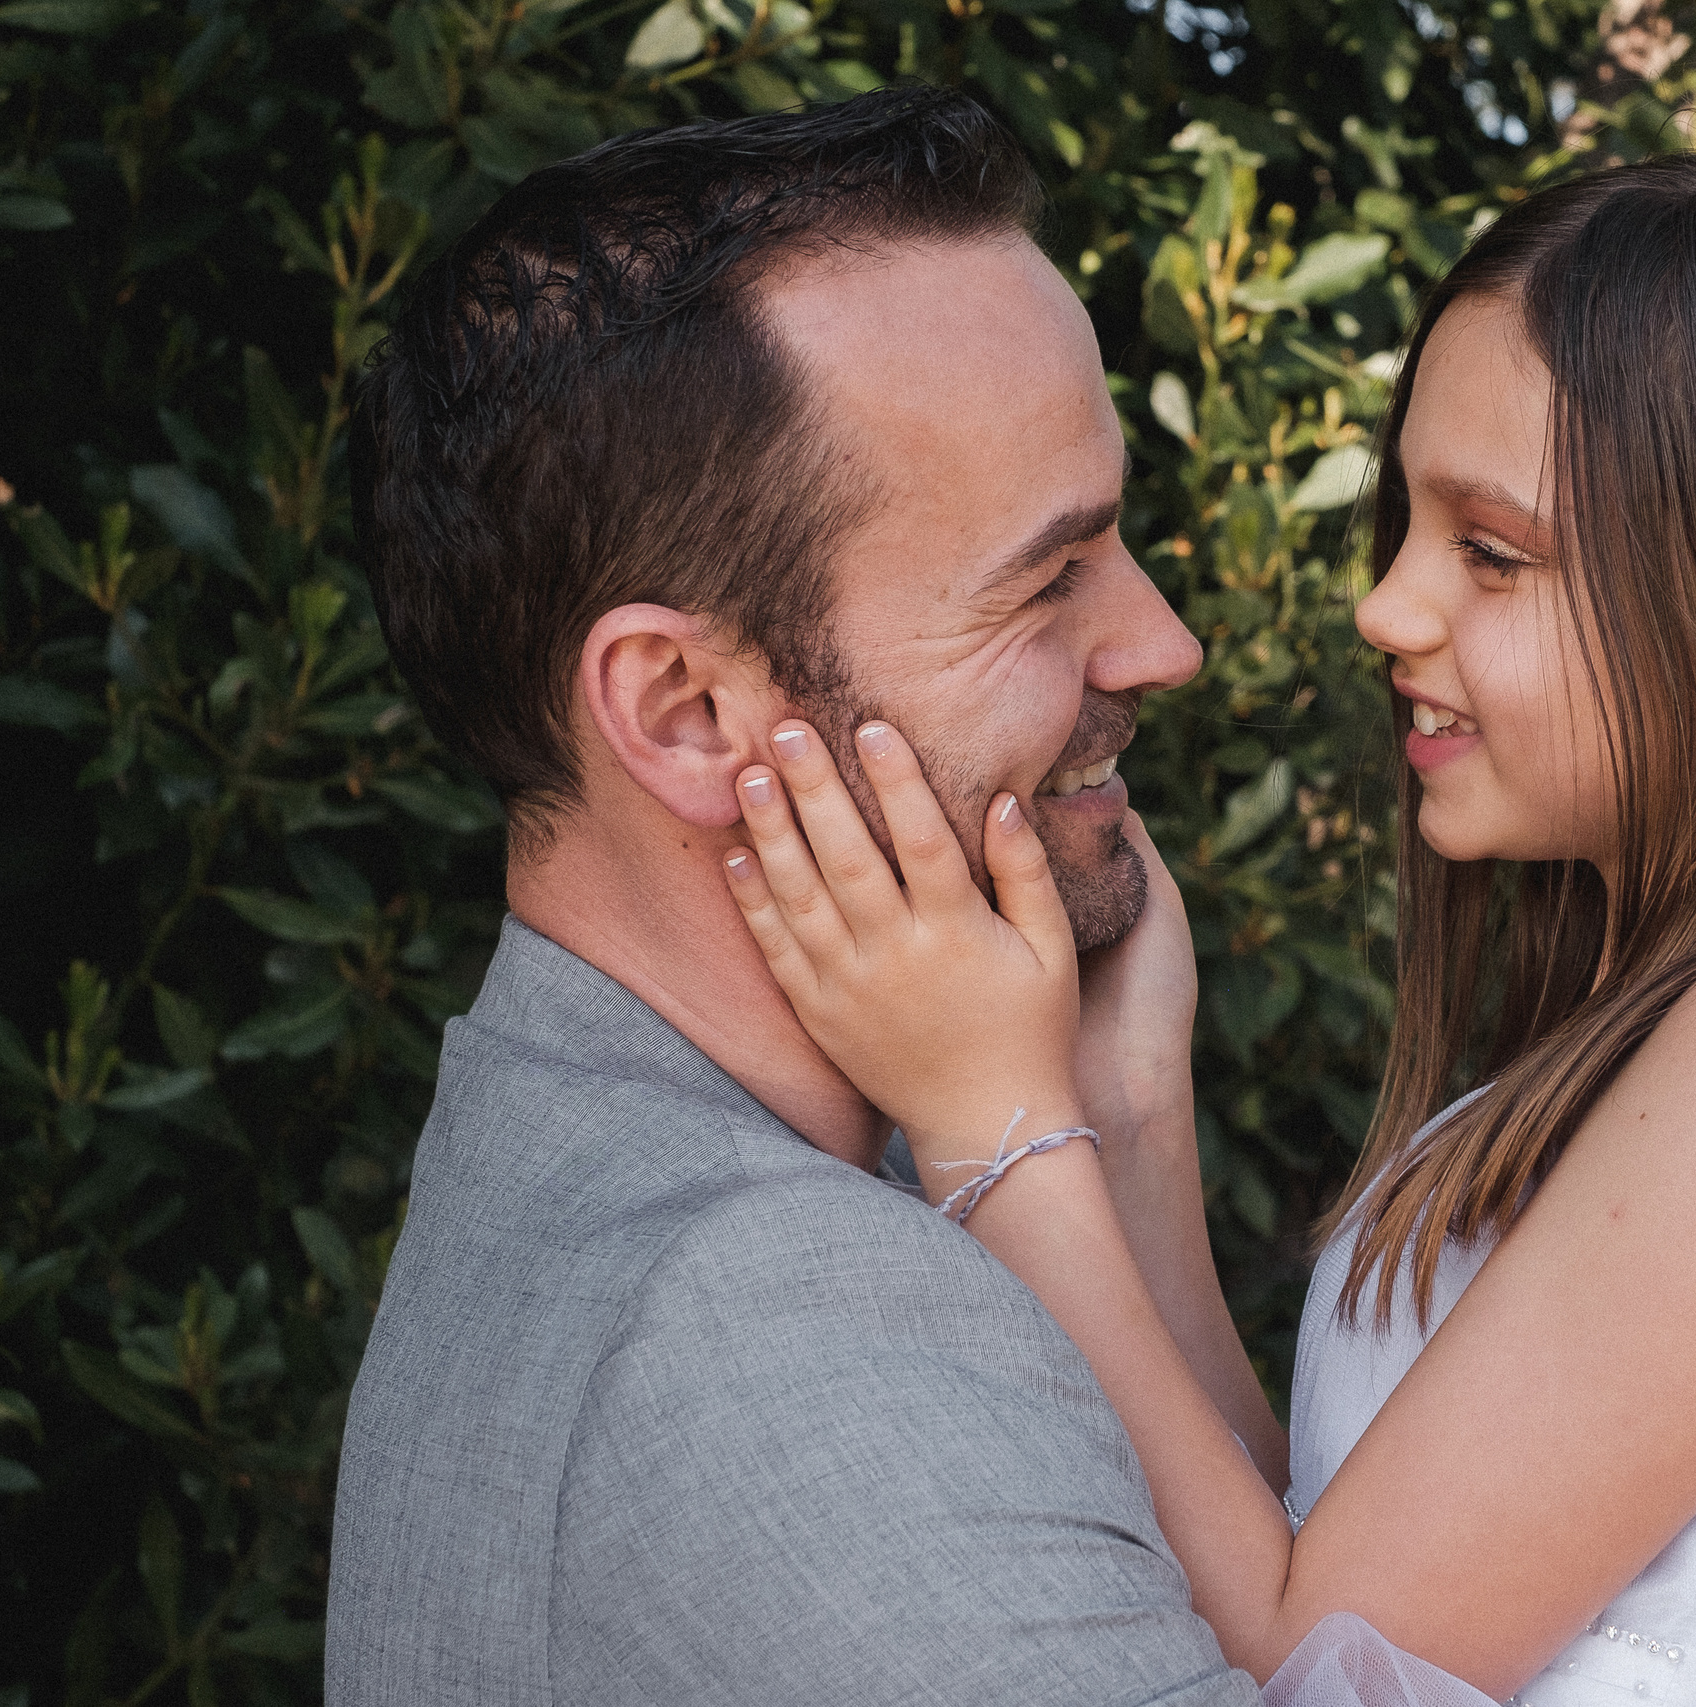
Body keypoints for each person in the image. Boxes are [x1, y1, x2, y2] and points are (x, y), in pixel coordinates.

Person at [722, 150, 1696, 1706]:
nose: (1387, 608)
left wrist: (991, 1127)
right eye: (1409, 528)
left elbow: (1316, 1663)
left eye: (1492, 553)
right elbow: (1324, 1561)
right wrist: (1131, 1105)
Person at [326, 87, 1283, 1704]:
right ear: (688, 710)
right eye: (1049, 578)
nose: (1163, 645)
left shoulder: (560, 1161)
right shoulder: (782, 1317)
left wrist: (1114, 1116)